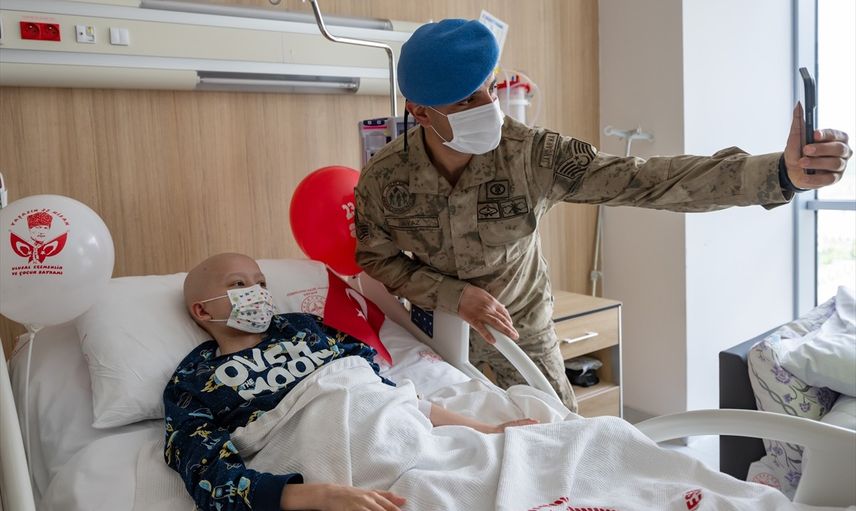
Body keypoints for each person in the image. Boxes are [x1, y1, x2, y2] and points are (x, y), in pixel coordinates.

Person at [353, 19, 853, 411]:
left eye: (489, 87)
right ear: (420, 112)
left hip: (521, 333)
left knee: (563, 441)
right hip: (439, 338)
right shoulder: (384, 180)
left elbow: (647, 180)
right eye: (467, 100)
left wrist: (780, 173)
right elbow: (375, 258)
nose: (489, 106)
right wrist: (454, 296)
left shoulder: (532, 155)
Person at [163, 252, 536, 511]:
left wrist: (489, 430)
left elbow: (380, 390)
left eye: (261, 282)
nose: (258, 292)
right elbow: (210, 477)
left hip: (403, 438)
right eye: (239, 284)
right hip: (324, 470)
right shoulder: (194, 381)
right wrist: (322, 496)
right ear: (202, 309)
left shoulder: (303, 328)